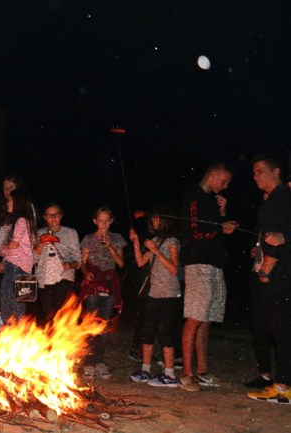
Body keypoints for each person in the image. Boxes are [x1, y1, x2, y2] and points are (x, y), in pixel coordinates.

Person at [178, 162, 238, 392]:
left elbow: (214, 231)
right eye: (223, 181)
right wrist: (220, 227)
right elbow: (194, 231)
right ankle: (186, 374)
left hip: (215, 265)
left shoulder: (212, 201)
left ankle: (202, 371)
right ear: (213, 175)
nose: (225, 186)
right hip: (198, 263)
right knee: (194, 316)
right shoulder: (194, 195)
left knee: (207, 318)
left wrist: (222, 214)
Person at [245, 154, 291, 404]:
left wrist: (266, 271)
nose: (255, 176)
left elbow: (276, 239)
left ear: (276, 171)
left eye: (260, 171)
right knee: (279, 329)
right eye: (253, 172)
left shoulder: (279, 198)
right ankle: (282, 383)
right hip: (279, 273)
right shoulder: (280, 198)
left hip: (278, 275)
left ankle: (283, 388)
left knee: (281, 329)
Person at [129, 206, 181, 388]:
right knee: (148, 331)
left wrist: (157, 252)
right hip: (153, 293)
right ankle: (145, 369)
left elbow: (175, 269)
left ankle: (170, 374)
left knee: (164, 331)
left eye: (157, 218)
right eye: (153, 219)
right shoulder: (155, 240)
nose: (154, 221)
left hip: (168, 294)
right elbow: (140, 262)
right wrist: (136, 242)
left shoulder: (172, 242)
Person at [80, 206, 127, 380]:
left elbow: (121, 264)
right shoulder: (87, 239)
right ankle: (89, 362)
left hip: (109, 282)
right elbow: (82, 263)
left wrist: (110, 248)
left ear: (111, 221)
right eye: (100, 220)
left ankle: (99, 361)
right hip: (93, 283)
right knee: (91, 322)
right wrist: (85, 273)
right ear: (95, 221)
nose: (104, 224)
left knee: (104, 323)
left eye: (107, 220)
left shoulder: (117, 238)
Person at [34, 203, 81, 323]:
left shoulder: (71, 233)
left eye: (56, 214)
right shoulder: (38, 233)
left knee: (62, 313)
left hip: (64, 278)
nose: (53, 218)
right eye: (50, 215)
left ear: (61, 215)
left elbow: (77, 259)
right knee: (49, 316)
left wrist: (70, 265)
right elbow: (33, 260)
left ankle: (68, 338)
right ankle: (52, 339)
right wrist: (39, 246)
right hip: (44, 279)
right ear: (45, 217)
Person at [0, 188, 37, 324]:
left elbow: (13, 245)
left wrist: (3, 249)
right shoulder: (28, 222)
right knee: (20, 304)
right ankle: (20, 336)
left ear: (17, 203)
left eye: (10, 201)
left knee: (8, 301)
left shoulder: (20, 221)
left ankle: (11, 332)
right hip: (25, 269)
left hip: (15, 267)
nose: (7, 204)